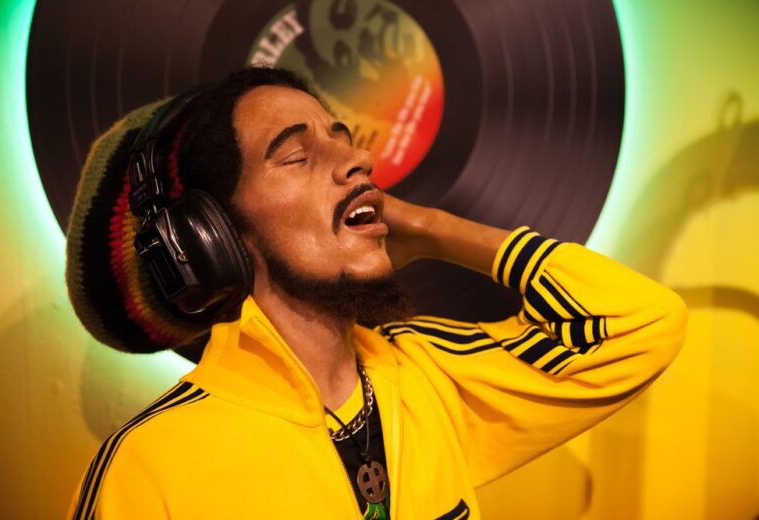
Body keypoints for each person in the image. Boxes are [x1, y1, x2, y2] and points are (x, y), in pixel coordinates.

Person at [65, 67, 688, 519]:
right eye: (297, 156)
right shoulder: (151, 464)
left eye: (343, 138)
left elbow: (642, 324)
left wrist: (432, 227)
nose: (358, 158)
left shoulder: (428, 379)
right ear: (213, 239)